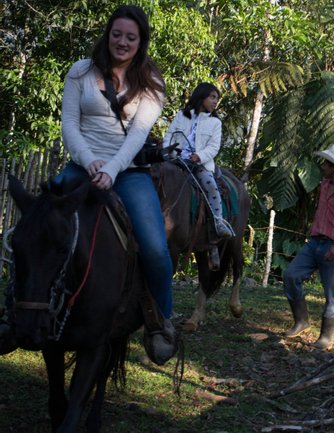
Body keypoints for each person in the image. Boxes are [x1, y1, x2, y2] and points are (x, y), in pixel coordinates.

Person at [0, 5, 176, 363]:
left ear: (140, 41)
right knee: (32, 229)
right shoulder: (80, 71)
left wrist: (111, 169)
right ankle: (11, 313)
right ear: (107, 34)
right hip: (81, 166)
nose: (122, 42)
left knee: (156, 248)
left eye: (131, 37)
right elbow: (69, 125)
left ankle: (160, 322)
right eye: (117, 34)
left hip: (127, 173)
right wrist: (88, 160)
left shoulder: (152, 83)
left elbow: (138, 135)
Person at [282, 144, 334, 350]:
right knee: (291, 275)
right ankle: (302, 320)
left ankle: (326, 336)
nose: (323, 166)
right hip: (315, 242)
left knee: (331, 294)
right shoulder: (324, 184)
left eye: (326, 163)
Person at [161, 82, 234, 257]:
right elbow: (169, 136)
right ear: (201, 96)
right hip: (176, 160)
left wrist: (199, 156)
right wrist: (168, 152)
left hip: (198, 164)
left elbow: (214, 147)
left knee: (209, 184)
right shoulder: (181, 116)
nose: (215, 101)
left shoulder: (215, 123)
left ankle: (218, 221)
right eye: (212, 97)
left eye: (217, 98)